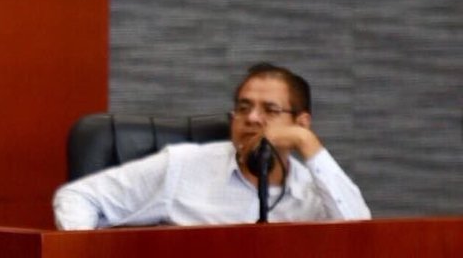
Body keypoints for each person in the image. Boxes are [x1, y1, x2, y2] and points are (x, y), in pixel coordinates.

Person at [53, 63, 370, 229]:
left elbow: (361, 237)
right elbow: (79, 197)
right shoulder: (183, 167)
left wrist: (307, 143)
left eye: (270, 110)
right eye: (243, 108)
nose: (253, 118)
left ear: (301, 122)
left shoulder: (316, 192)